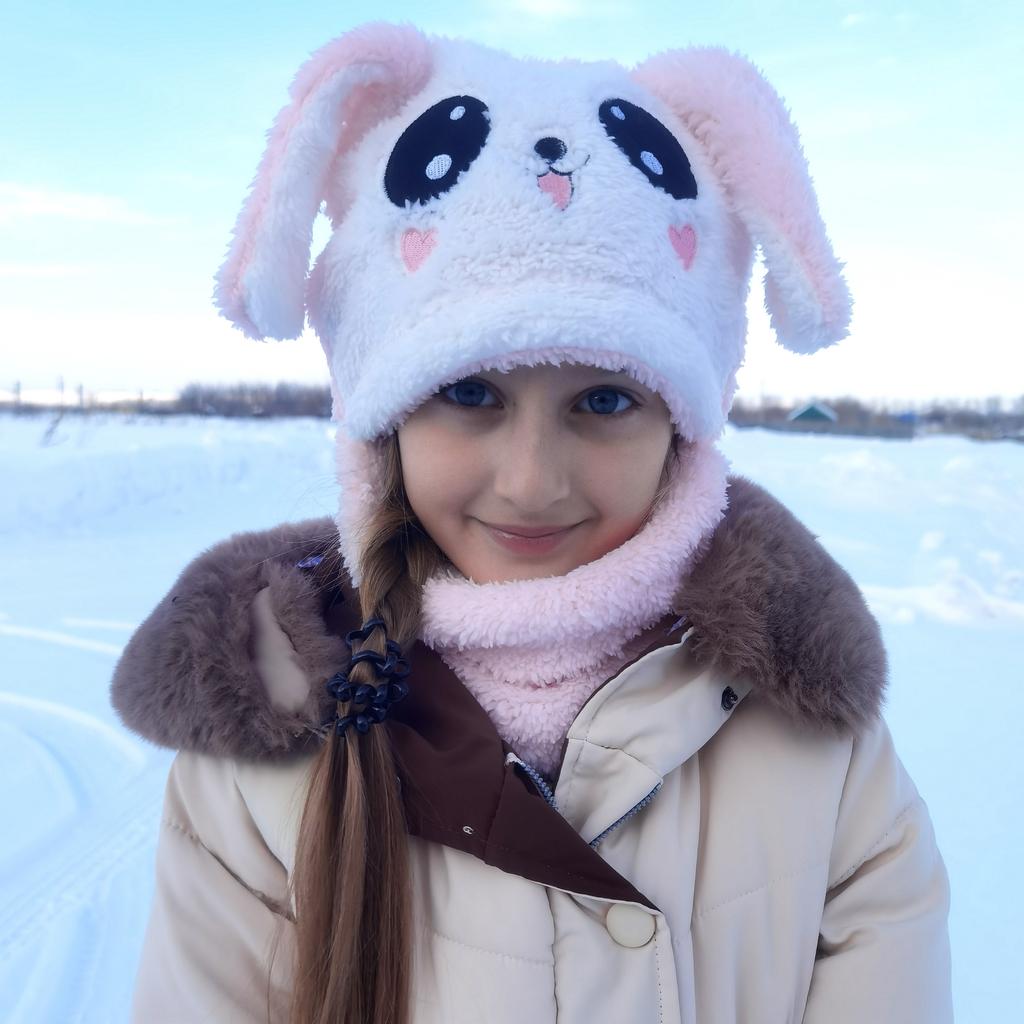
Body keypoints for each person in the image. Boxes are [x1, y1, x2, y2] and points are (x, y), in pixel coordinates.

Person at [110, 20, 953, 1024]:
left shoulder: (815, 741)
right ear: (383, 420)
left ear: (681, 429)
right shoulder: (262, 742)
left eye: (604, 400)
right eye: (469, 392)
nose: (530, 482)